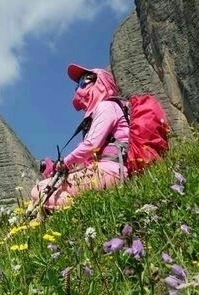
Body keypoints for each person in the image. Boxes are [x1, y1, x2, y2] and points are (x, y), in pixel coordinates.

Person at [28, 64, 130, 217]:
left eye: (84, 81)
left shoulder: (106, 106)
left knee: (38, 190)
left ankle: (80, 212)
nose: (78, 88)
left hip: (111, 170)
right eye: (77, 84)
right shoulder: (99, 112)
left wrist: (64, 164)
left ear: (101, 83)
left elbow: (91, 145)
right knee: (37, 198)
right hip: (105, 171)